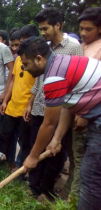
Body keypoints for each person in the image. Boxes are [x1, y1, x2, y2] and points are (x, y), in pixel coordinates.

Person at [20, 36, 101, 210]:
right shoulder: (60, 62)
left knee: (91, 177)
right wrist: (56, 139)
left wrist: (33, 157)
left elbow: (48, 123)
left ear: (39, 59)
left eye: (26, 64)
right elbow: (68, 105)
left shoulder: (53, 77)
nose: (25, 69)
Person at [24, 7, 84, 202]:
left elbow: (76, 88)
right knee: (40, 144)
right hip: (45, 106)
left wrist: (77, 114)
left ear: (58, 25)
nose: (43, 32)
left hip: (66, 110)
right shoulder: (43, 51)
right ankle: (33, 187)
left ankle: (46, 191)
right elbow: (39, 82)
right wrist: (31, 101)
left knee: (55, 155)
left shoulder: (72, 49)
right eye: (40, 29)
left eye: (46, 28)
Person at [60, 6, 101, 202]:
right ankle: (69, 191)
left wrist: (83, 114)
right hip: (71, 110)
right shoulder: (80, 47)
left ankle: (74, 199)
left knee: (84, 160)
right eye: (81, 28)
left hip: (89, 115)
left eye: (89, 29)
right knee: (74, 156)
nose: (84, 33)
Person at [0, 25, 38, 175]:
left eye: (24, 42)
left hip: (27, 109)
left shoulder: (39, 61)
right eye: (21, 42)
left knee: (25, 141)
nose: (21, 46)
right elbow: (13, 80)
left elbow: (38, 87)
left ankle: (21, 171)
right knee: (4, 135)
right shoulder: (20, 58)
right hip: (12, 106)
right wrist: (5, 101)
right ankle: (0, 163)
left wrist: (30, 105)